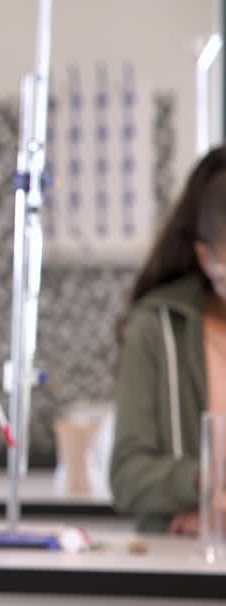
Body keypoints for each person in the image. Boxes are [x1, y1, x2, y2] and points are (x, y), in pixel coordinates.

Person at [111, 146, 226, 534]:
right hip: (186, 569)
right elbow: (128, 479)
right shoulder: (159, 327)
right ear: (205, 255)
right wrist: (206, 483)